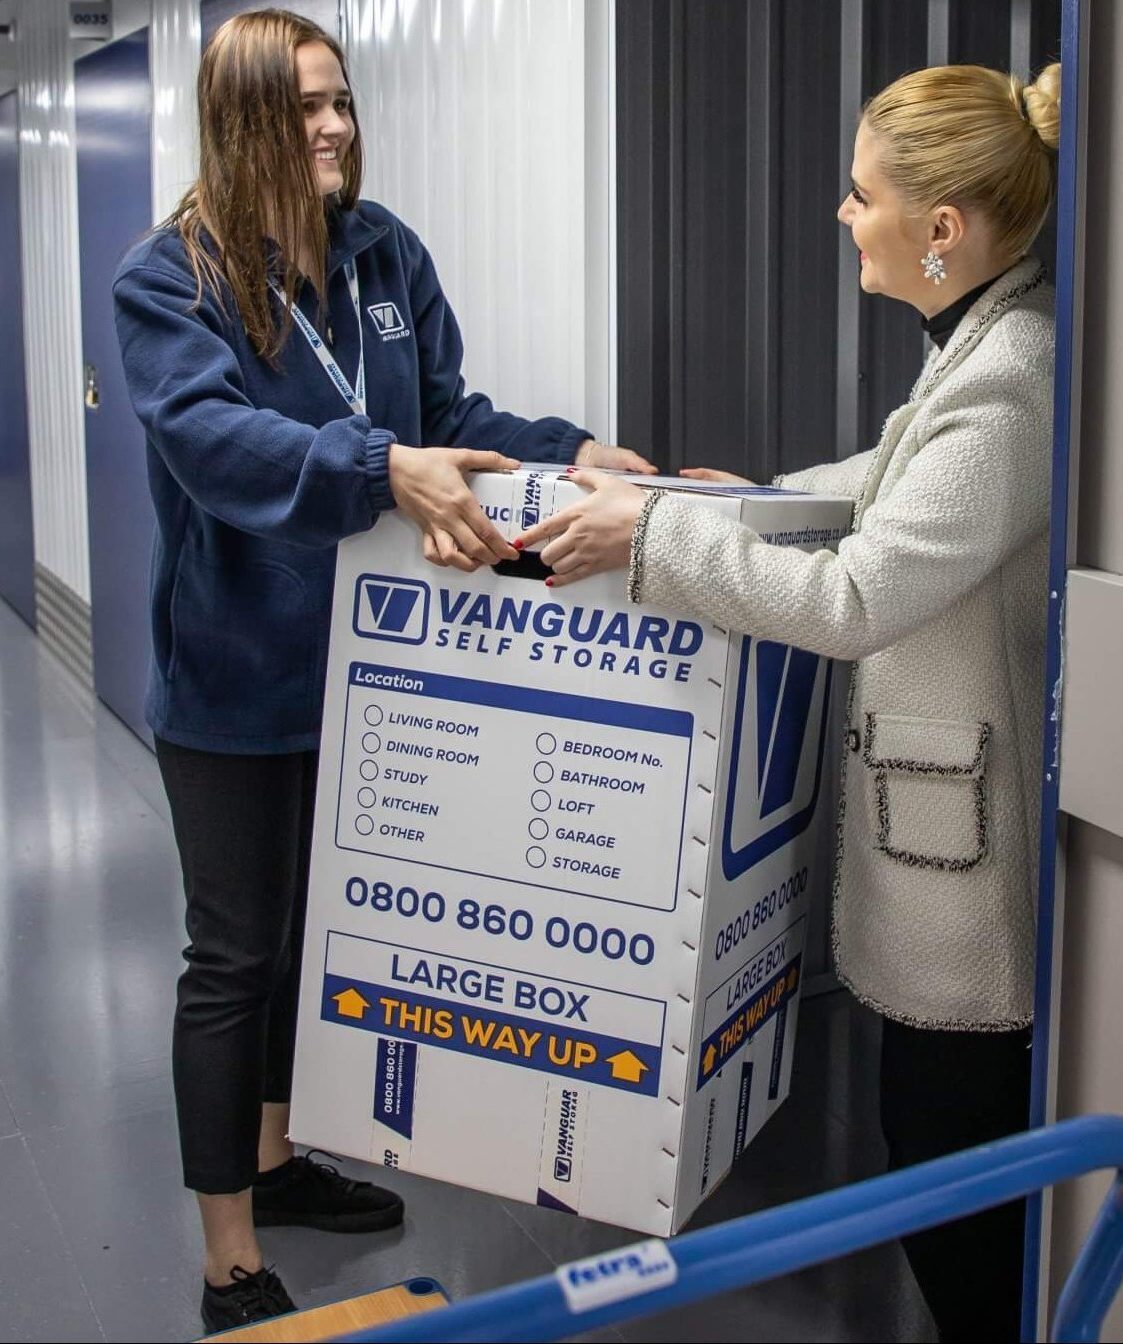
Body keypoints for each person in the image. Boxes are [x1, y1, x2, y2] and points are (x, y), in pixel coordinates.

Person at [112, 8, 652, 1333]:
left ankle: (276, 1161)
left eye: (342, 100)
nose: (336, 125)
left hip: (369, 678)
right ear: (243, 124)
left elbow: (446, 416)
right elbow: (212, 442)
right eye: (304, 107)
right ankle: (229, 1261)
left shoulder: (379, 253)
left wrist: (569, 445)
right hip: (234, 693)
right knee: (233, 959)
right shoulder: (166, 280)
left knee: (308, 947)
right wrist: (375, 468)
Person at [517, 62, 1061, 1342]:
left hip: (964, 866)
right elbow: (885, 473)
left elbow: (859, 595)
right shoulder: (978, 341)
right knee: (934, 1145)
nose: (840, 213)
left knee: (953, 1162)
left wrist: (652, 543)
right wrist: (738, 497)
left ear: (940, 229)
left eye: (859, 193)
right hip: (928, 831)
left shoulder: (1014, 373)